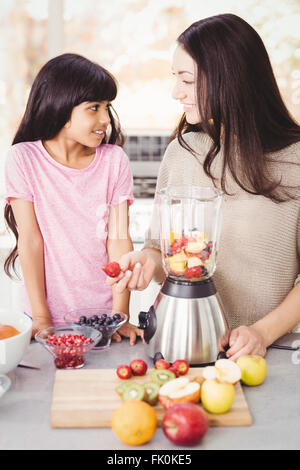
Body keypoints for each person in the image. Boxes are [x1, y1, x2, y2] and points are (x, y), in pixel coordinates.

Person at [107, 13, 300, 360]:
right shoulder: (182, 153)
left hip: (274, 350)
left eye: (186, 79)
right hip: (182, 345)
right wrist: (146, 262)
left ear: (230, 77)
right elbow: (157, 248)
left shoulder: (296, 159)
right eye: (175, 78)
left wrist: (261, 333)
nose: (174, 92)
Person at [4, 53, 143, 345]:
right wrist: (41, 319)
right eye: (94, 108)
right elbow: (30, 240)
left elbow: (118, 239)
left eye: (107, 107)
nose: (105, 119)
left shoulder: (113, 161)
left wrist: (120, 315)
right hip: (45, 320)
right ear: (61, 106)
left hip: (102, 320)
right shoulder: (23, 159)